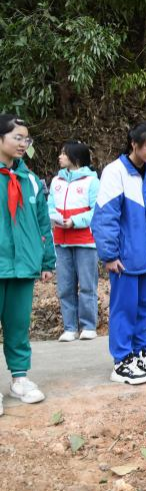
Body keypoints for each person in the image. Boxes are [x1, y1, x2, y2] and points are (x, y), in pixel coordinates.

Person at [92, 122, 146, 385]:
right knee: (123, 308)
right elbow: (106, 217)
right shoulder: (115, 172)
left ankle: (139, 352)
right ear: (133, 144)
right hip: (124, 259)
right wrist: (110, 255)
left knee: (144, 307)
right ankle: (121, 360)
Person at [0, 115, 55, 415]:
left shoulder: (31, 181)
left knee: (19, 325)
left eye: (26, 139)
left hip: (23, 265)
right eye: (17, 137)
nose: (23, 144)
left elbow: (43, 224)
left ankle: (19, 379)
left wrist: (46, 261)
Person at [48, 140, 100, 342]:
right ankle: (69, 327)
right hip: (61, 241)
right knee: (65, 287)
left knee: (87, 285)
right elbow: (49, 205)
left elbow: (97, 211)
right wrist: (55, 218)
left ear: (75, 158)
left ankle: (88, 326)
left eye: (63, 153)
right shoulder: (56, 181)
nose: (60, 157)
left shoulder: (92, 181)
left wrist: (75, 221)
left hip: (85, 240)